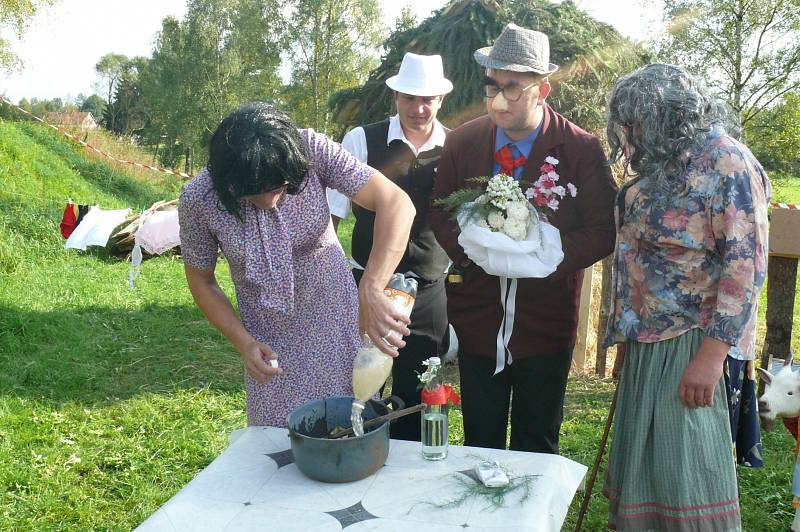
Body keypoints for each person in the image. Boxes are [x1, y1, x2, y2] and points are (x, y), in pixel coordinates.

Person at [429, 23, 618, 454]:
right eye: (491, 85)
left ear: (543, 90)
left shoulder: (579, 148)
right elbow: (440, 210)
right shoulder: (462, 142)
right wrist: (476, 250)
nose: (498, 98)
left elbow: (604, 229)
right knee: (481, 438)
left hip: (544, 321)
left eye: (513, 87)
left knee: (536, 440)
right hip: (477, 315)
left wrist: (542, 255)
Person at [602, 63, 770, 530]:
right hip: (650, 341)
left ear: (668, 115)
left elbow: (746, 266)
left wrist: (712, 357)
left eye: (637, 121)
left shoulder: (726, 163)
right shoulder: (666, 161)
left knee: (685, 473)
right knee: (648, 475)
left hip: (693, 344)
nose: (630, 133)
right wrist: (628, 335)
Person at [178, 102, 416, 427]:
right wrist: (243, 342)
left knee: (351, 425)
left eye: (279, 187)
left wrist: (372, 286)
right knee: (281, 439)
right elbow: (201, 279)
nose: (268, 201)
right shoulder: (200, 198)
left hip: (336, 322)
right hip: (268, 339)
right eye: (251, 195)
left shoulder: (310, 150)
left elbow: (396, 203)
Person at [326, 52, 453, 441]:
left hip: (429, 290)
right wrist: (332, 284)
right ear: (395, 96)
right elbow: (331, 218)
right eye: (409, 98)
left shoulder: (455, 147)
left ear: (440, 100)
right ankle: (358, 455)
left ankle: (411, 476)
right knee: (361, 384)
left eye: (427, 99)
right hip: (369, 284)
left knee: (421, 389)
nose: (418, 107)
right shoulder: (362, 140)